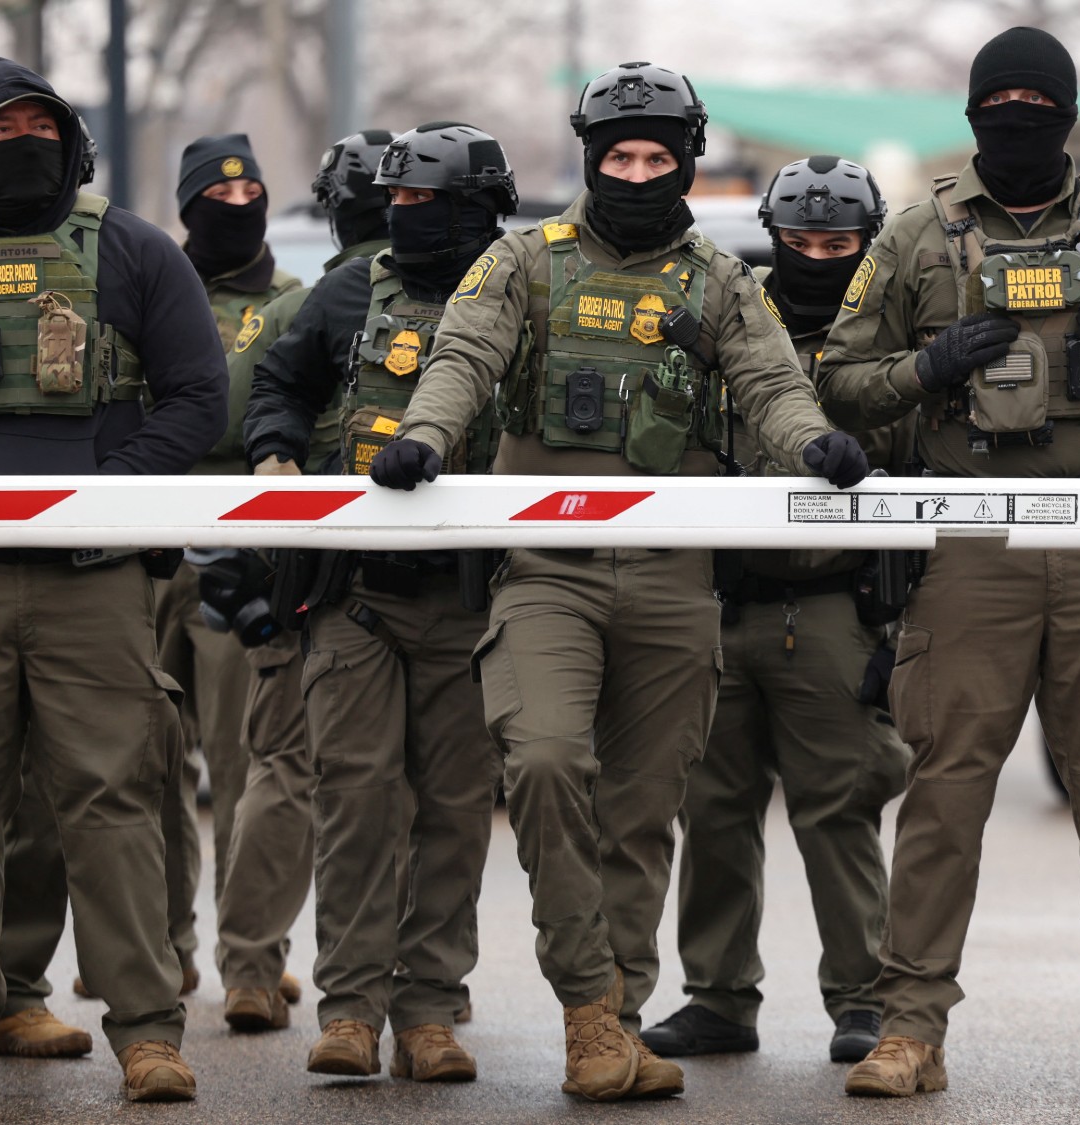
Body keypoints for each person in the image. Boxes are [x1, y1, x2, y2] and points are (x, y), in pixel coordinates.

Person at [364, 62, 867, 1102]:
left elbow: (770, 382)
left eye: (655, 159)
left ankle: (617, 1026)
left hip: (674, 577)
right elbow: (461, 357)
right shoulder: (523, 261)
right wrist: (426, 435)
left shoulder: (718, 281)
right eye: (619, 158)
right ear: (591, 159)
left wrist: (812, 445)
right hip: (547, 572)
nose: (637, 175)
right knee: (546, 763)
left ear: (685, 162)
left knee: (641, 815)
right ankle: (588, 1004)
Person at [819, 26, 1080, 1101]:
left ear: (1068, 117)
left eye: (1037, 106)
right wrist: (925, 369)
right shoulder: (916, 236)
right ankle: (909, 1029)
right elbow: (838, 384)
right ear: (972, 117)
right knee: (945, 793)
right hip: (969, 543)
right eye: (999, 105)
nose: (1017, 122)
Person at [0, 54, 225, 1102]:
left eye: (38, 126)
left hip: (94, 578)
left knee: (113, 802)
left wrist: (109, 492)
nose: (20, 144)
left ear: (69, 141)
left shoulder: (136, 252)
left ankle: (148, 1033)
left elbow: (197, 398)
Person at [242, 121, 516, 1083]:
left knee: (455, 811)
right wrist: (274, 452)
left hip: (472, 598)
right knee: (355, 801)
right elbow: (281, 381)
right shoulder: (351, 291)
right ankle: (351, 1009)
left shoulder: (522, 291)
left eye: (424, 202)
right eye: (395, 200)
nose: (404, 217)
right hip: (356, 594)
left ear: (477, 209)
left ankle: (430, 1010)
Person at [640, 155, 910, 1067]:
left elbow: (925, 472)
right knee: (711, 807)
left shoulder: (889, 331)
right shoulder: (721, 312)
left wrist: (903, 634)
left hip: (834, 605)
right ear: (771, 235)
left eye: (839, 245)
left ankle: (863, 997)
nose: (818, 258)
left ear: (868, 243)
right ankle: (717, 996)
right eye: (800, 242)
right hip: (717, 599)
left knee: (841, 806)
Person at [207, 128, 399, 1034]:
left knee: (284, 765)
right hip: (428, 578)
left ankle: (251, 968)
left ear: (334, 212)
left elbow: (223, 425)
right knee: (418, 777)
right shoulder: (473, 295)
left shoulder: (301, 306)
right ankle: (423, 983)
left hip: (305, 574)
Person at [142, 134, 302, 998]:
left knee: (247, 761)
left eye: (251, 196)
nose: (237, 210)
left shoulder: (289, 300)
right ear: (187, 207)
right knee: (150, 760)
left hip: (244, 543)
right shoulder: (152, 288)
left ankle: (255, 956)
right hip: (148, 543)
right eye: (217, 198)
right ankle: (163, 948)